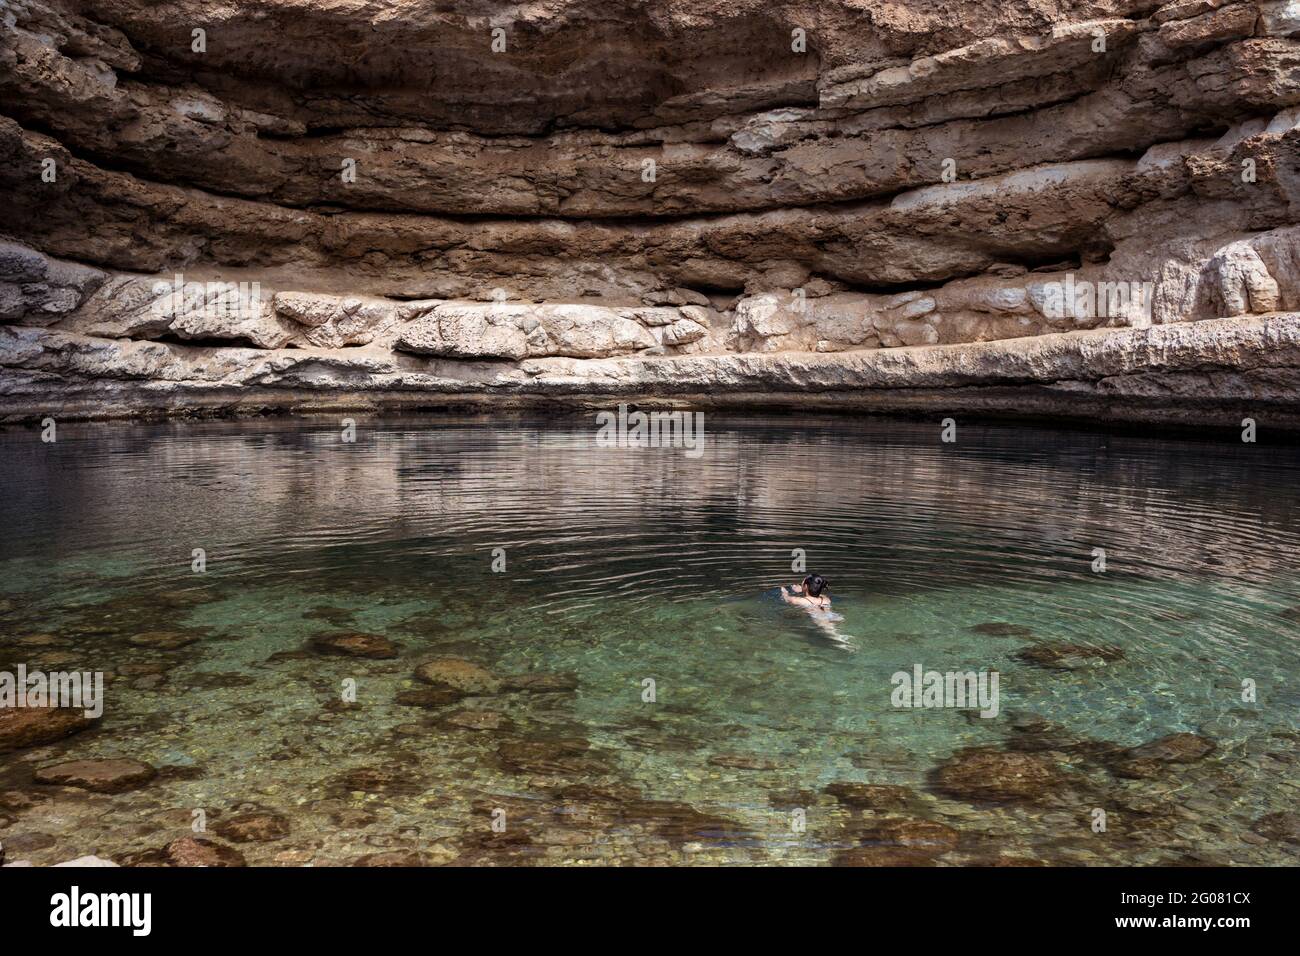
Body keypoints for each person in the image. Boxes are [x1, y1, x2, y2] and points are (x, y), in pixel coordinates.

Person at [781, 574, 852, 647]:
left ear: (805, 586)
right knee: (834, 630)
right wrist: (803, 589)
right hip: (833, 615)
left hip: (820, 617)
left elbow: (786, 598)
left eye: (802, 583)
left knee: (834, 633)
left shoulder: (800, 601)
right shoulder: (825, 599)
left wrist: (784, 591)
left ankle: (846, 645)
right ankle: (846, 641)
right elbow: (816, 594)